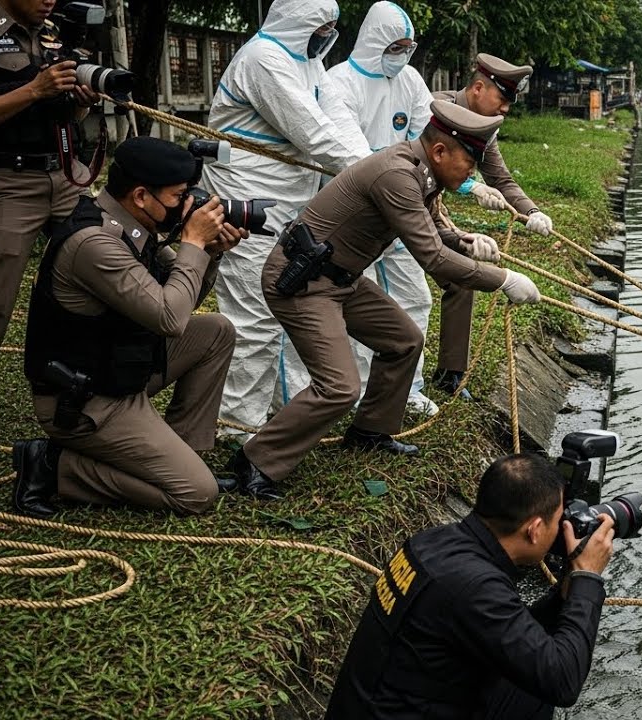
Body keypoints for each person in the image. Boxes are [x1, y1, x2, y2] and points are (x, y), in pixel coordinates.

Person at [225, 100, 542, 500]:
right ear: (440, 151)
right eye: (469, 163)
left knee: (404, 340)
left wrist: (463, 240)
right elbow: (433, 258)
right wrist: (503, 279)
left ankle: (370, 430)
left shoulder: (421, 173)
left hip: (341, 279)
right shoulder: (397, 175)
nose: (472, 175)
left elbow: (432, 232)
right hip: (304, 281)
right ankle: (253, 462)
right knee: (339, 386)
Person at [11, 137, 246, 517]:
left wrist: (210, 252)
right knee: (196, 495)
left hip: (119, 370)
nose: (187, 205)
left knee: (216, 331)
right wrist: (192, 243)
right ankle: (53, 467)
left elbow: (179, 302)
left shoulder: (133, 226)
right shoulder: (96, 243)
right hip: (85, 401)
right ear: (140, 196)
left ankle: (182, 453)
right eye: (178, 196)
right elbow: (169, 318)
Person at [313, 1, 502, 418]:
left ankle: (407, 389)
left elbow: (432, 142)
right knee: (354, 304)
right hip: (358, 216)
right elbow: (350, 154)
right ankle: (359, 390)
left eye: (408, 48)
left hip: (405, 207)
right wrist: (503, 280)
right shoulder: (338, 83)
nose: (402, 55)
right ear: (374, 41)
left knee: (414, 297)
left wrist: (469, 184)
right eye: (395, 47)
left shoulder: (410, 79)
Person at [325, 452, 614, 719]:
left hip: (367, 704)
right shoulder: (475, 587)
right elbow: (563, 681)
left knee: (528, 682)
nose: (562, 527)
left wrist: (566, 592)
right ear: (535, 529)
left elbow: (515, 634)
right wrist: (587, 576)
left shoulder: (432, 543)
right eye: (559, 519)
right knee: (538, 691)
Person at [200, 0, 359, 438]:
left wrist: (375, 164)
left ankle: (286, 405)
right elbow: (315, 133)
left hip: (292, 204)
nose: (326, 36)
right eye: (320, 27)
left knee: (293, 299)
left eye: (331, 28)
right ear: (299, 20)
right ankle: (238, 422)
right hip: (247, 203)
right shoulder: (263, 59)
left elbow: (338, 120)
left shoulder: (308, 63)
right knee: (254, 312)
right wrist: (377, 178)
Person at [0, 0, 100, 449]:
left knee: (105, 266)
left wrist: (79, 102)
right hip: (8, 182)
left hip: (64, 175)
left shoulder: (54, 33)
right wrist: (35, 89)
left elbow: (62, 113)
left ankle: (103, 397)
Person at [428, 53, 554, 400]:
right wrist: (471, 187)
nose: (506, 109)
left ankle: (451, 373)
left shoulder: (485, 126)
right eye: (502, 99)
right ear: (479, 88)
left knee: (460, 273)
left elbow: (501, 178)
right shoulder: (435, 108)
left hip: (430, 207)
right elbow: (414, 158)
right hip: (404, 204)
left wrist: (532, 212)